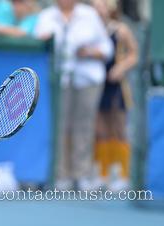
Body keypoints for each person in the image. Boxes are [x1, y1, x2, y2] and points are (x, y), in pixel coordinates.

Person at [34, 0, 113, 190]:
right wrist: (45, 41)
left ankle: (82, 174)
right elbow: (36, 41)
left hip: (88, 79)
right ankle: (60, 174)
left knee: (84, 126)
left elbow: (107, 49)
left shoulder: (89, 15)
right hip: (58, 79)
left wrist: (91, 52)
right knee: (59, 126)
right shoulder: (46, 16)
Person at [91, 0, 138, 191]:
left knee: (118, 127)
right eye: (95, 6)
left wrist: (121, 67)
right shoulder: (92, 29)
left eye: (102, 5)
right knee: (100, 129)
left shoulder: (121, 29)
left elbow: (134, 54)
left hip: (117, 85)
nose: (98, 9)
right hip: (96, 83)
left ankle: (122, 175)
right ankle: (103, 174)